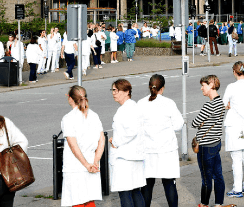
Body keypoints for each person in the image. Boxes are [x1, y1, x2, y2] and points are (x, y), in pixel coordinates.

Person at [138, 74, 182, 207]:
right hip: (166, 151)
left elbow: (137, 126)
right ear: (162, 88)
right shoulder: (168, 103)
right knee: (169, 184)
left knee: (146, 186)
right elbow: (178, 124)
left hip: (148, 151)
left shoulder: (141, 104)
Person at [61, 85, 105, 207]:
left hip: (75, 167)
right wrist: (95, 161)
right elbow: (101, 140)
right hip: (92, 163)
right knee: (90, 200)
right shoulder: (94, 115)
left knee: (77, 202)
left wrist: (86, 164)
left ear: (70, 98)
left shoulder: (68, 118)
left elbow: (73, 145)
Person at [191, 75, 229, 207]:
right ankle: (218, 203)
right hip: (216, 143)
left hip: (206, 146)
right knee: (218, 175)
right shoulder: (220, 102)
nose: (201, 88)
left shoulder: (209, 105)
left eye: (203, 85)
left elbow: (194, 123)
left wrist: (202, 124)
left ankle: (204, 204)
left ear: (211, 85)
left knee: (206, 179)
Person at [109, 79, 146, 207]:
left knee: (125, 193)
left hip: (125, 157)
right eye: (113, 90)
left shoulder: (127, 109)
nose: (113, 93)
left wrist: (115, 141)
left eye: (116, 90)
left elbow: (131, 130)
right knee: (135, 191)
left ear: (126, 92)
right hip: (134, 156)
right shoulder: (132, 107)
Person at [223, 61, 244, 198]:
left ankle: (237, 189)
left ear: (234, 72)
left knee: (236, 158)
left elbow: (224, 104)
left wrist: (230, 105)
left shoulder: (231, 87)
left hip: (234, 125)